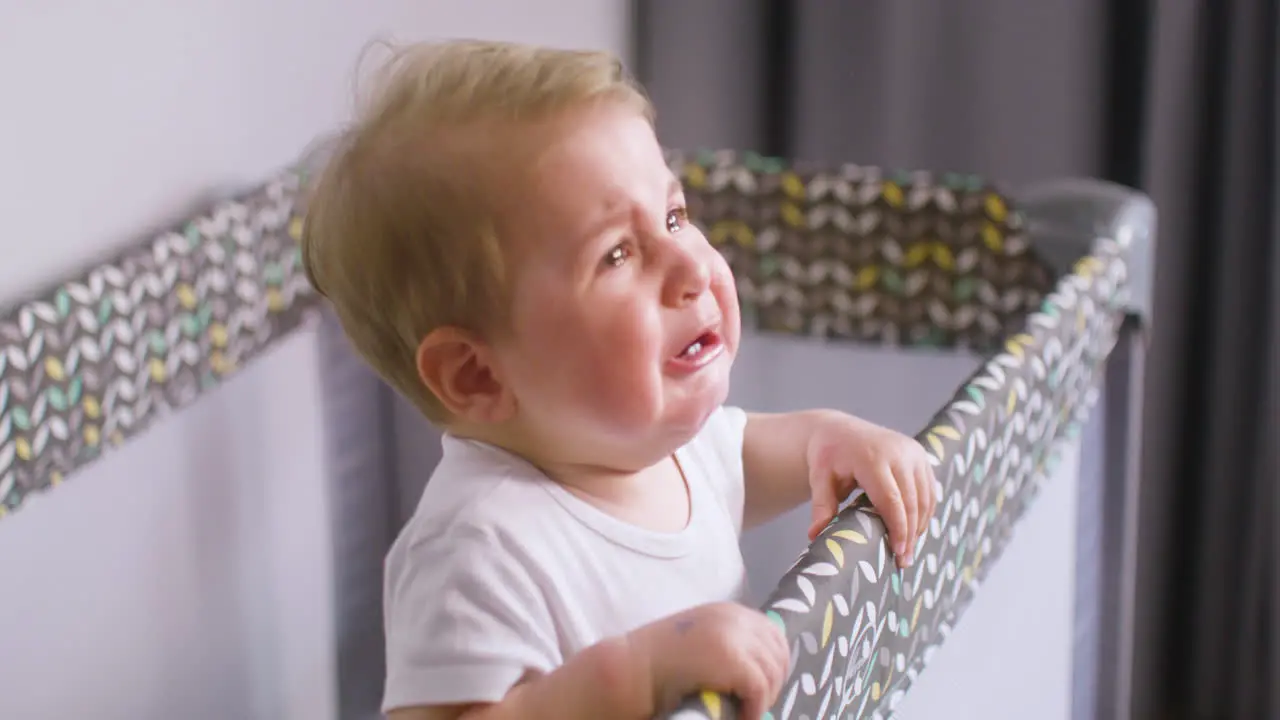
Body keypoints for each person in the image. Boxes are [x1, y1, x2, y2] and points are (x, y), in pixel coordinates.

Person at [301, 38, 937, 720]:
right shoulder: (478, 546)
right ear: (477, 374)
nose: (691, 267)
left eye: (674, 216)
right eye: (617, 255)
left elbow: (751, 453)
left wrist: (832, 441)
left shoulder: (661, 447)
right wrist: (633, 677)